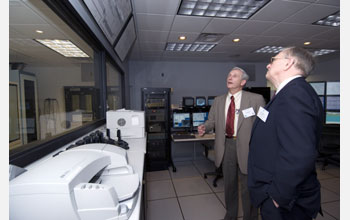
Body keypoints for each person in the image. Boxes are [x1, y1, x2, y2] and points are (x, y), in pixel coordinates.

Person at [247, 47, 324, 220]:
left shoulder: (295, 94)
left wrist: (278, 196)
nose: (268, 65)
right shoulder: (289, 93)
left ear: (289, 63)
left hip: (285, 201)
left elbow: (300, 153)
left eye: (273, 59)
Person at [198, 67, 265, 220]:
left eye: (234, 76)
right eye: (229, 75)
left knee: (247, 187)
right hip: (226, 146)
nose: (230, 77)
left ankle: (251, 217)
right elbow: (212, 121)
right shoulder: (218, 100)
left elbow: (264, 124)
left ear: (242, 82)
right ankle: (231, 215)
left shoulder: (255, 99)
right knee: (229, 186)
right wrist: (205, 127)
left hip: (248, 148)